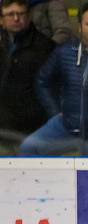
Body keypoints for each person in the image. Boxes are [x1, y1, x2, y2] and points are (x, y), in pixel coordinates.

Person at [19, 2, 88, 155]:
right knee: (28, 148)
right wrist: (55, 111)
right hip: (65, 126)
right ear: (80, 26)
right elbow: (43, 81)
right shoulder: (65, 51)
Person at [0, 0, 54, 152]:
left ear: (29, 16)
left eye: (21, 14)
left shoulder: (45, 47)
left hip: (31, 131)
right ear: (1, 20)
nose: (16, 18)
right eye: (11, 14)